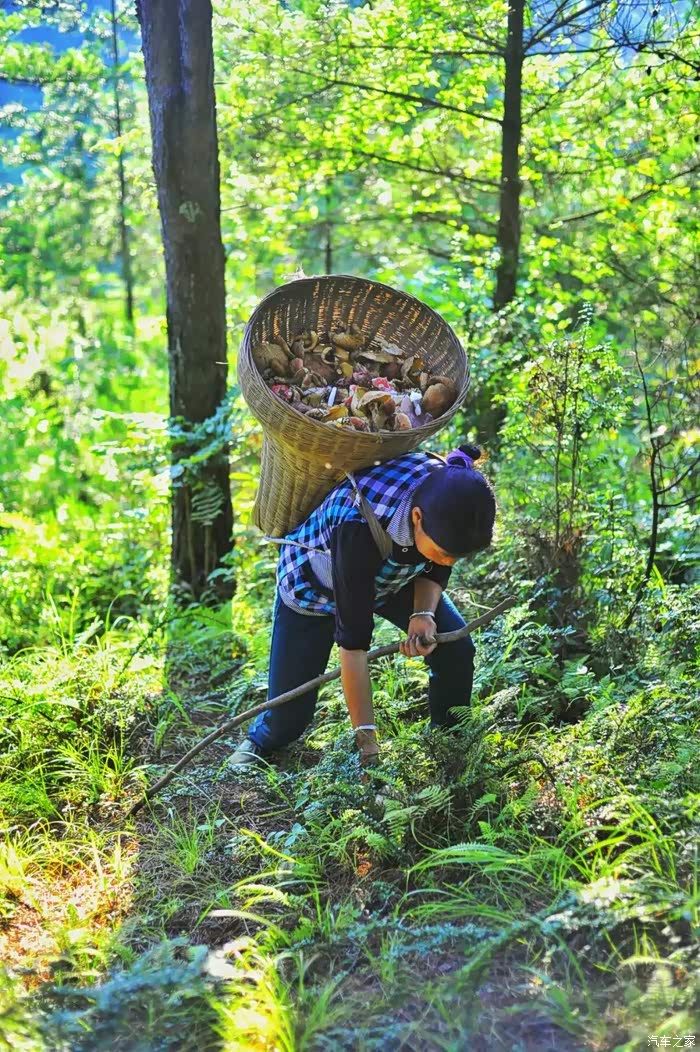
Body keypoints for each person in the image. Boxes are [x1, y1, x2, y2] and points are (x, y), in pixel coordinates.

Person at [229, 444, 496, 769]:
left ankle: (450, 745)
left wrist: (422, 613)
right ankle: (258, 741)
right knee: (290, 716)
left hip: (390, 575)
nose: (449, 561)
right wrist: (368, 745)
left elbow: (436, 564)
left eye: (457, 556)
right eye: (444, 552)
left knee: (454, 647)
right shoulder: (357, 528)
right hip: (316, 587)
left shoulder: (447, 497)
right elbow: (353, 646)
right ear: (416, 517)